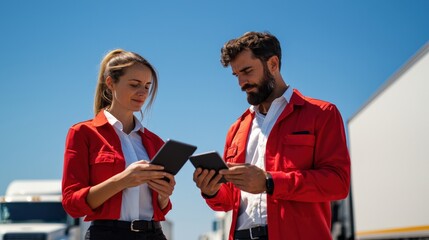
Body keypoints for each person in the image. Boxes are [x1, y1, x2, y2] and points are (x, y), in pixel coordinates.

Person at [193, 32, 350, 240]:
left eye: (247, 71)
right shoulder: (236, 129)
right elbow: (229, 200)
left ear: (273, 64)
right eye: (236, 75)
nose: (241, 82)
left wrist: (269, 182)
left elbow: (338, 183)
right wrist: (211, 190)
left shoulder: (322, 114)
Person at [62, 49, 174, 240]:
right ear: (110, 83)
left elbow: (161, 208)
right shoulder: (83, 133)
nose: (142, 93)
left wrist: (164, 195)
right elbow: (72, 204)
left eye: (147, 86)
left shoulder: (156, 142)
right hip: (107, 235)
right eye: (134, 84)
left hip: (154, 234)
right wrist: (123, 180)